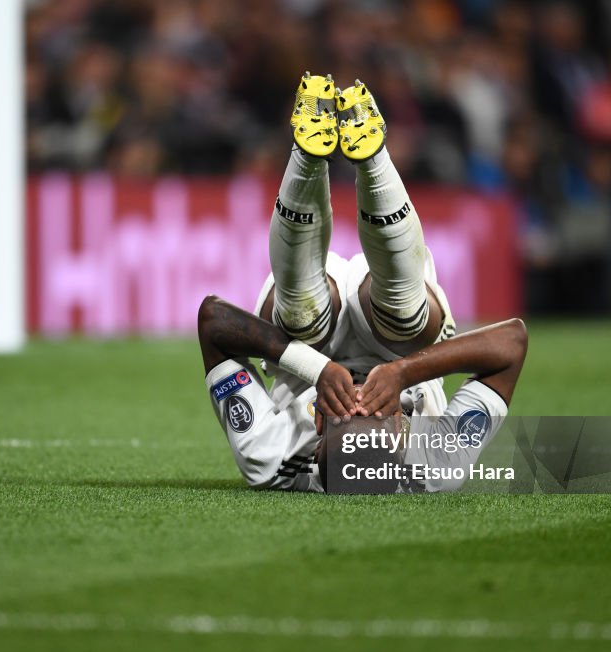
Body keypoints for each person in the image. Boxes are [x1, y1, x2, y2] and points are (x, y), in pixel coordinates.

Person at [197, 73, 528, 493]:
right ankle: (372, 157)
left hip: (312, 343)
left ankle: (307, 153)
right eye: (372, 414)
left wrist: (315, 368)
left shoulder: (271, 459)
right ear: (402, 431)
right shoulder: (437, 466)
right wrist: (400, 373)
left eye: (343, 415)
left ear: (317, 444)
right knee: (403, 317)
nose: (357, 398)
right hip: (399, 348)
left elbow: (213, 320)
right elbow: (511, 343)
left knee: (302, 315)